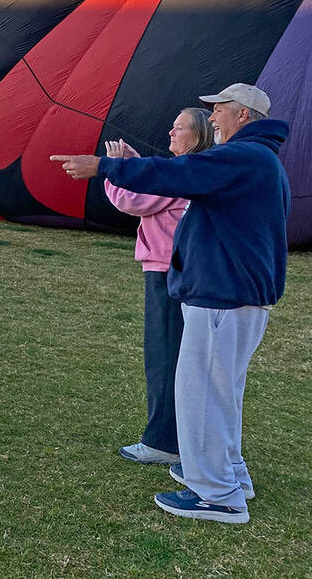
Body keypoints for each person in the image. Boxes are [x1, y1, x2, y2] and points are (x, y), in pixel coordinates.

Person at [52, 84, 289, 524]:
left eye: (218, 111)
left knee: (200, 392)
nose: (213, 119)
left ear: (243, 115)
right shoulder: (262, 161)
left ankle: (217, 496)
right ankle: (232, 476)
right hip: (240, 295)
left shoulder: (240, 157)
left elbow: (175, 175)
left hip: (222, 295)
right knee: (222, 393)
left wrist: (105, 166)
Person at [104, 108, 213, 467]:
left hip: (166, 271)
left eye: (179, 128)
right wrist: (135, 162)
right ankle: (180, 436)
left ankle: (163, 441)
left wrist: (111, 167)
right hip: (180, 270)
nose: (170, 132)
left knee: (164, 354)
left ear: (196, 138)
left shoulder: (179, 175)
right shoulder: (193, 172)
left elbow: (129, 199)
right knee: (174, 353)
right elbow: (153, 176)